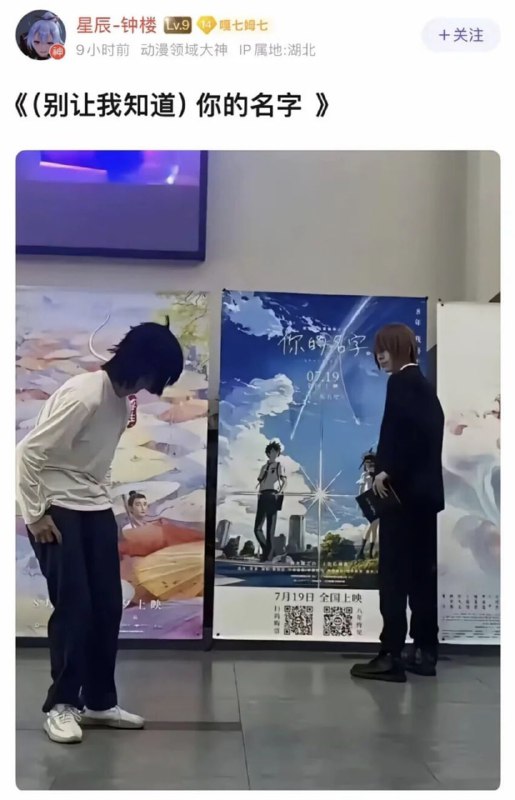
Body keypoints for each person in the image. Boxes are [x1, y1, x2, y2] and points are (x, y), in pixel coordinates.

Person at [16, 318, 183, 743]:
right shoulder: (85, 394)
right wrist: (34, 515)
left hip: (93, 508)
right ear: (142, 364)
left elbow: (93, 460)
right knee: (74, 608)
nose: (154, 388)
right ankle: (61, 705)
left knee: (107, 606)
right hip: (57, 510)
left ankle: (98, 702)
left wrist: (102, 503)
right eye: (157, 377)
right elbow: (27, 453)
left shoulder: (120, 402)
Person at [351, 323, 444, 683]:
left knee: (392, 576)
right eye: (378, 350)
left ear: (401, 347)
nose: (380, 356)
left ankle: (390, 654)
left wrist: (388, 470)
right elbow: (426, 435)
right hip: (424, 500)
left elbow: (407, 436)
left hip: (402, 499)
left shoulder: (401, 383)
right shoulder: (424, 386)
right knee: (421, 577)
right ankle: (424, 651)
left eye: (385, 348)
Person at [254, 440, 287, 562]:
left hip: (273, 495)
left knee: (270, 530)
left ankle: (267, 556)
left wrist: (280, 492)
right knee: (257, 528)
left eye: (275, 452)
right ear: (268, 453)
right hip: (262, 496)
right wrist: (258, 496)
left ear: (278, 454)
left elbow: (284, 481)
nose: (273, 454)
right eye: (271, 451)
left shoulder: (279, 466)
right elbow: (261, 482)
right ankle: (267, 550)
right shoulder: (263, 467)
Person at [356, 451, 379, 560]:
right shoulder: (365, 475)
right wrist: (361, 503)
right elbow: (361, 489)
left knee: (375, 526)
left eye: (371, 462)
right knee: (371, 523)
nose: (370, 464)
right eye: (368, 462)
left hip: (377, 499)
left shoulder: (378, 473)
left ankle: (369, 553)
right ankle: (361, 551)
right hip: (368, 499)